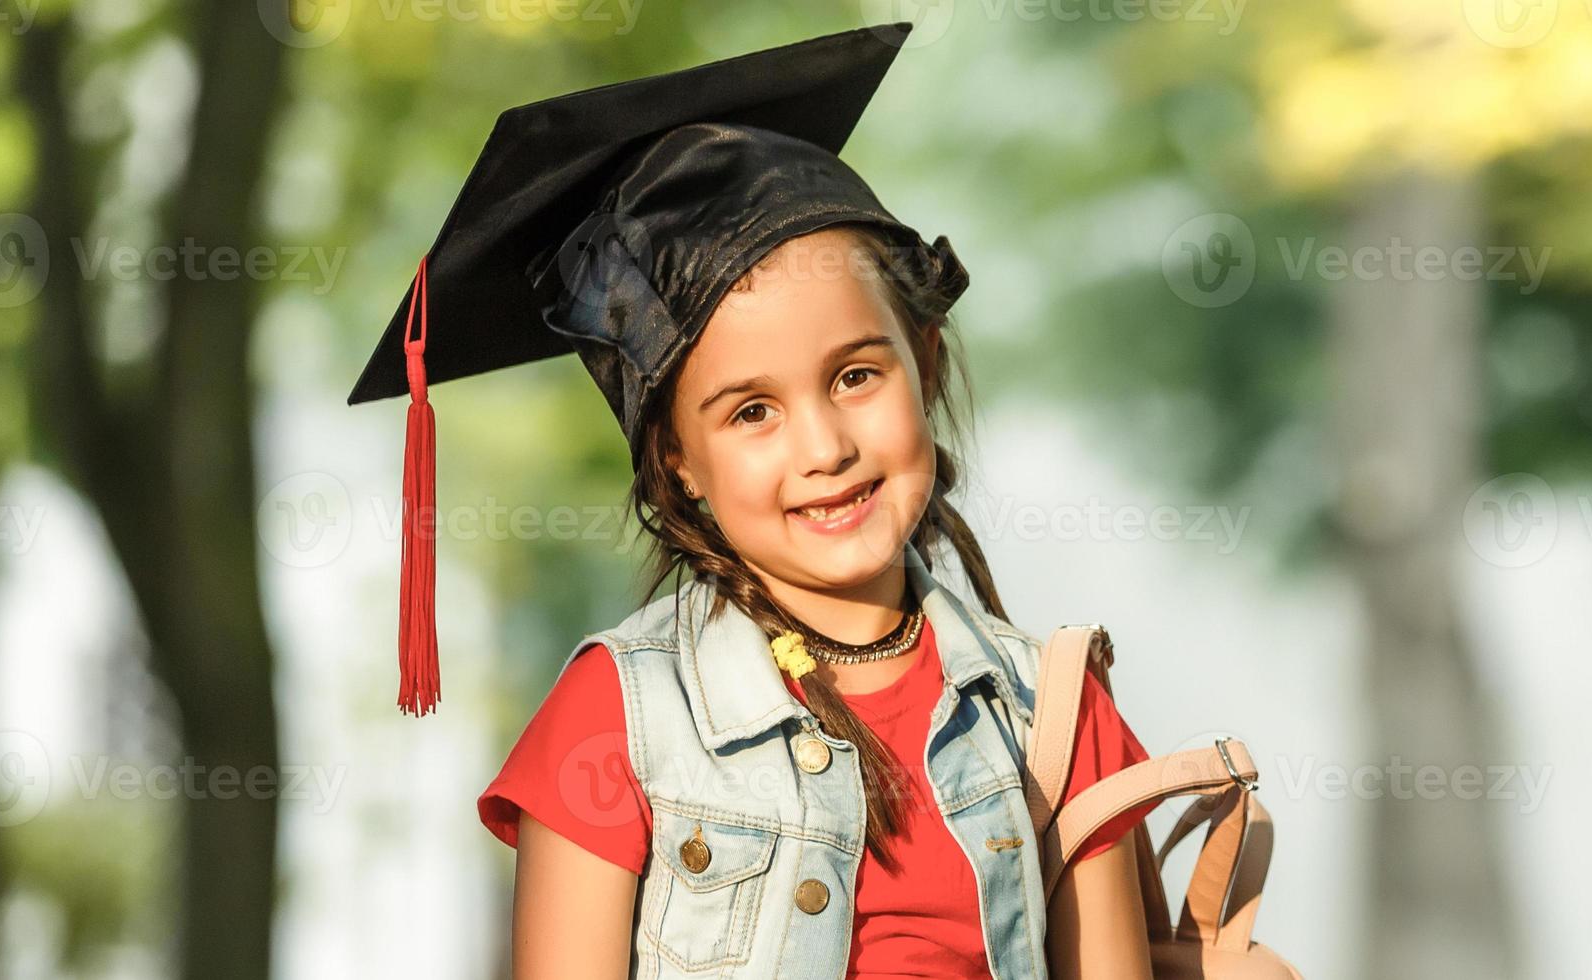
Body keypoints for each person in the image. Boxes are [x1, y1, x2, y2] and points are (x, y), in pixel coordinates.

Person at [344, 24, 1160, 979]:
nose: (825, 449)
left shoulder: (1054, 712)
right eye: (753, 412)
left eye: (857, 376)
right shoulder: (618, 717)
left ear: (925, 363)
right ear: (676, 460)